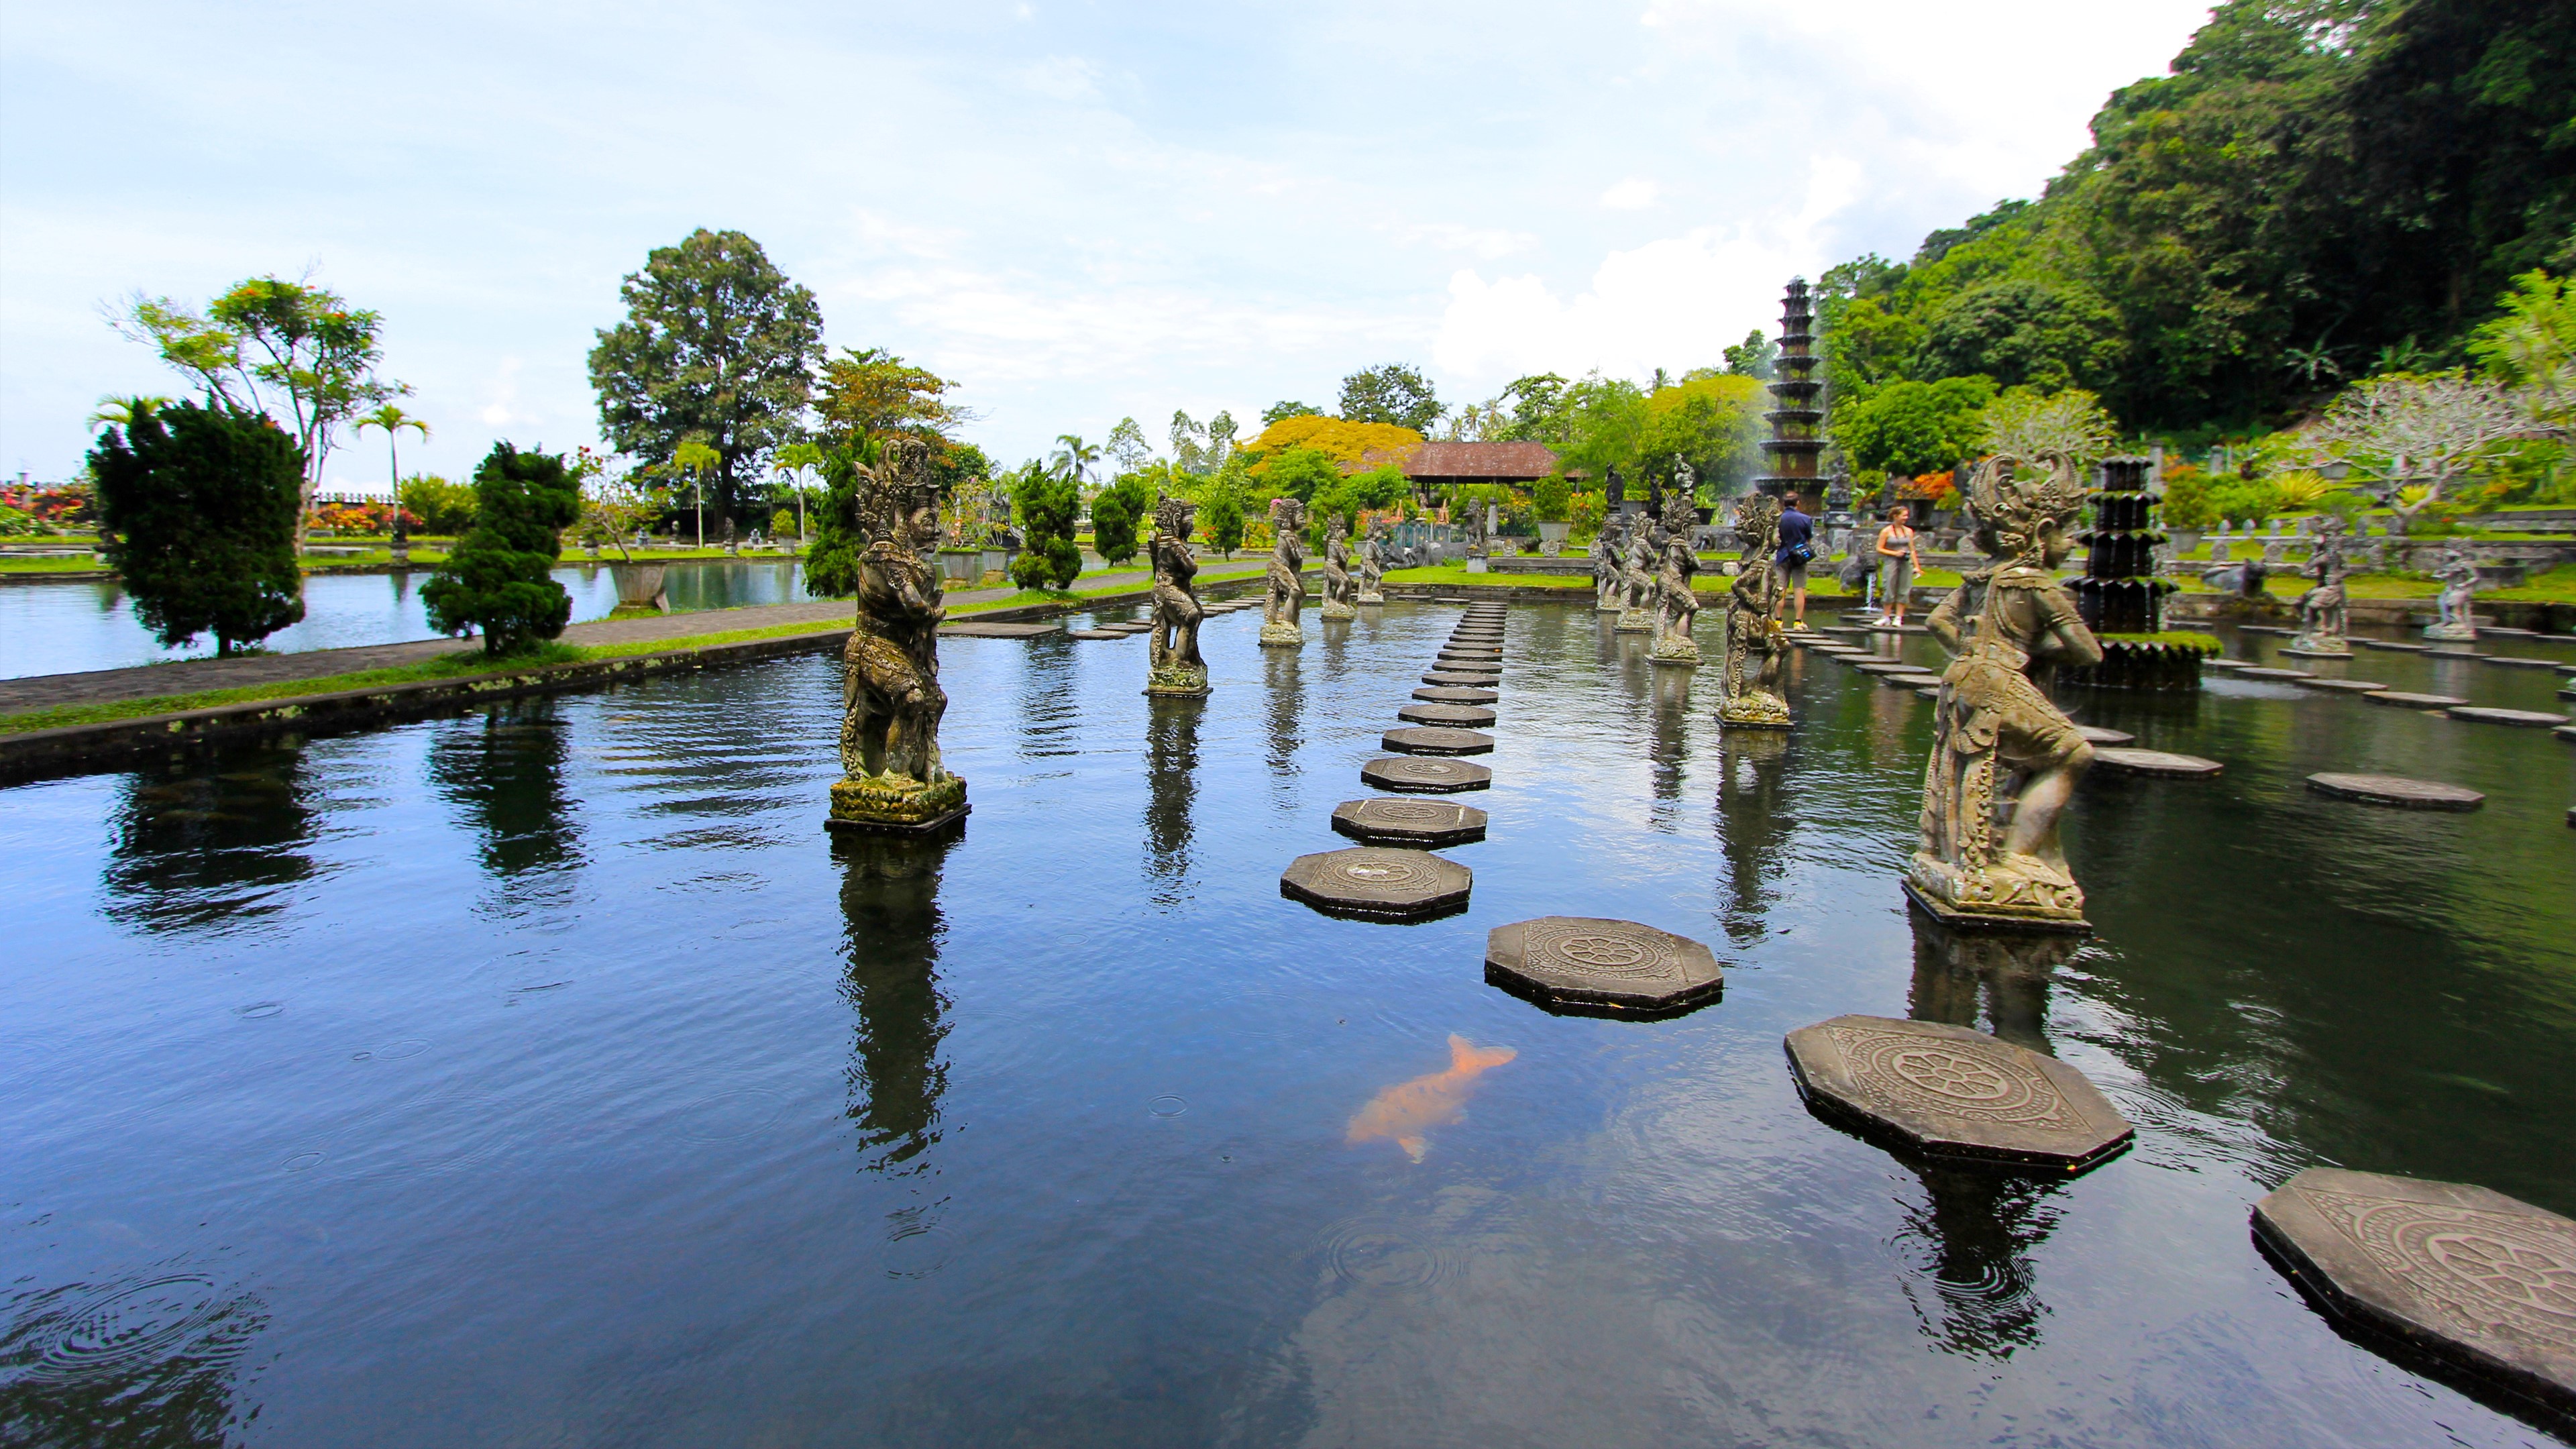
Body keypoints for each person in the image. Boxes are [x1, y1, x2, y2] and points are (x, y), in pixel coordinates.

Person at [1772, 494, 1815, 629]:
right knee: (1799, 589)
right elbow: (1808, 539)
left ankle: (1778, 620)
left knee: (1780, 589)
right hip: (1799, 557)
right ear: (1798, 503)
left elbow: (1774, 538)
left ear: (1783, 504)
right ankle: (1798, 621)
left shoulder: (1778, 519)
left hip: (1782, 555)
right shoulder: (1805, 519)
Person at [1874, 505, 1921, 625]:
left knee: (1904, 588)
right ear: (1896, 516)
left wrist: (1917, 566)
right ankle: (1886, 616)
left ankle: (1899, 617)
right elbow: (1879, 548)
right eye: (1904, 515)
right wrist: (1895, 553)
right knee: (1889, 587)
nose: (1906, 518)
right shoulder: (1886, 531)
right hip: (1891, 561)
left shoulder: (1908, 531)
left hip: (1905, 562)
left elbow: (1912, 550)